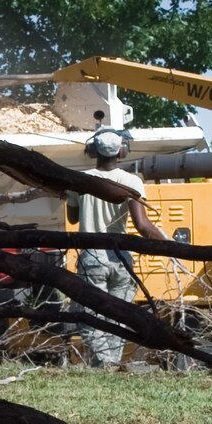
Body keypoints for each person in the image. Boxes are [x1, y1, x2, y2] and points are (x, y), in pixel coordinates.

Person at [72, 127, 167, 368]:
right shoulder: (131, 181)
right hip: (121, 259)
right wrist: (171, 246)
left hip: (92, 256)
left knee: (90, 315)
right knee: (119, 316)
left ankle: (105, 364)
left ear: (93, 151)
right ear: (121, 152)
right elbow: (143, 226)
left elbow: (73, 217)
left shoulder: (80, 180)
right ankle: (110, 364)